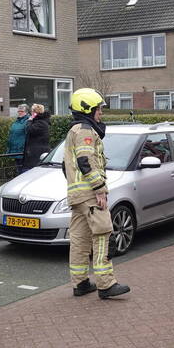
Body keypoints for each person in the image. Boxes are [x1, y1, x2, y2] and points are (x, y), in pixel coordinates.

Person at [64, 88, 129, 299]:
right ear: (88, 109)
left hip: (78, 196)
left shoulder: (73, 131)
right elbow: (86, 161)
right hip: (91, 195)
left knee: (79, 240)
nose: (101, 113)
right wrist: (99, 188)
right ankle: (106, 284)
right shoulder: (84, 131)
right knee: (102, 234)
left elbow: (68, 168)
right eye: (99, 109)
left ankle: (81, 283)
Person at [22, 103, 51, 169]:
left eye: (32, 111)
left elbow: (29, 129)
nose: (31, 113)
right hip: (34, 153)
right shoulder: (38, 122)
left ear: (35, 112)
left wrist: (29, 121)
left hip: (36, 154)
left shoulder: (41, 123)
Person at [8, 104, 30, 172]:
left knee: (23, 172)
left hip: (22, 151)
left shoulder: (27, 122)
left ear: (26, 112)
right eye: (19, 111)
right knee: (19, 170)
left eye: (22, 111)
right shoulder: (16, 122)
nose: (20, 112)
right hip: (15, 150)